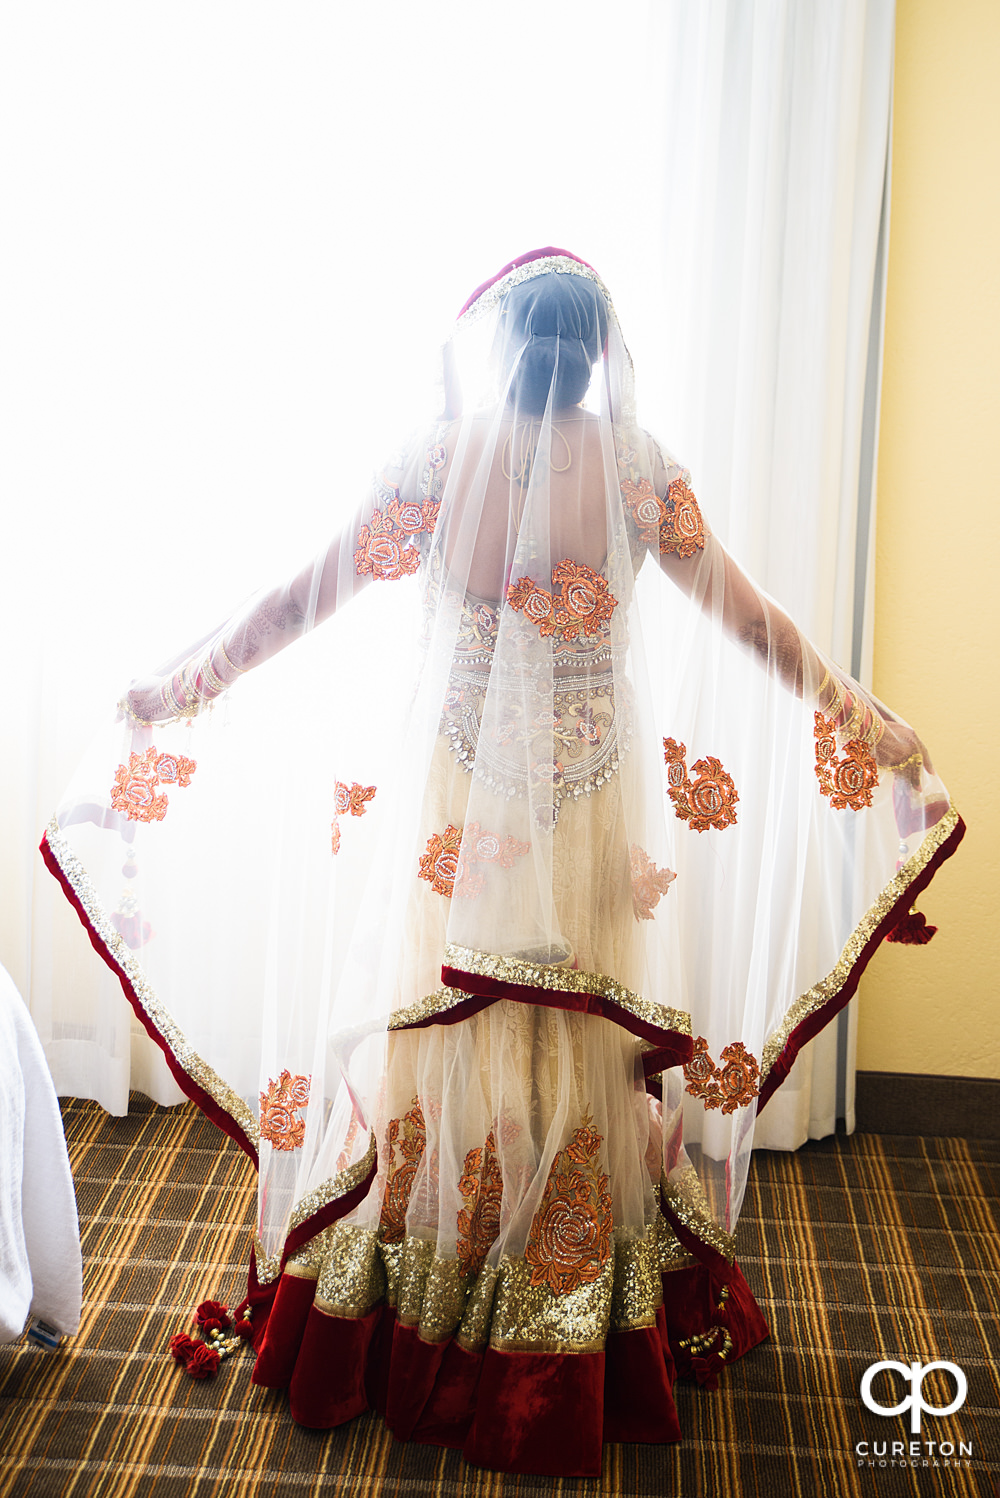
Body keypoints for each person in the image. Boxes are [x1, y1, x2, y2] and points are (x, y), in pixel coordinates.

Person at [43, 248, 963, 1477]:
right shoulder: (637, 466)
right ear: (598, 352)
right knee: (567, 1039)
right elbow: (752, 624)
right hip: (587, 808)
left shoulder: (437, 459)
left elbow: (294, 600)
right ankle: (557, 1301)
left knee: (453, 1034)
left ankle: (433, 1284)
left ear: (497, 345)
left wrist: (177, 683)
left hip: (458, 808)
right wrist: (864, 715)